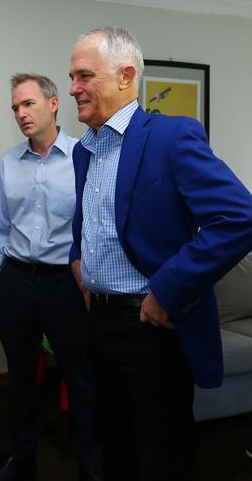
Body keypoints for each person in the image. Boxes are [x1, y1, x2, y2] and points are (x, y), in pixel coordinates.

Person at [68, 26, 252, 480]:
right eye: (71, 76)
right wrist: (79, 259)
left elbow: (238, 217)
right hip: (99, 322)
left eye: (84, 76)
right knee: (111, 449)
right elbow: (92, 218)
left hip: (151, 326)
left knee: (160, 456)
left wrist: (167, 291)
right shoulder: (84, 152)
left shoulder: (172, 137)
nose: (72, 88)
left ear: (125, 75)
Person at [0, 73, 100, 481]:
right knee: (19, 378)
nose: (21, 113)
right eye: (16, 107)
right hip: (17, 280)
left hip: (65, 284)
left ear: (53, 104)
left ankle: (90, 462)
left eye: (29, 104)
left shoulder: (84, 156)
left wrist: (90, 281)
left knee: (80, 376)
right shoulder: (8, 163)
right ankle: (22, 457)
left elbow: (95, 224)